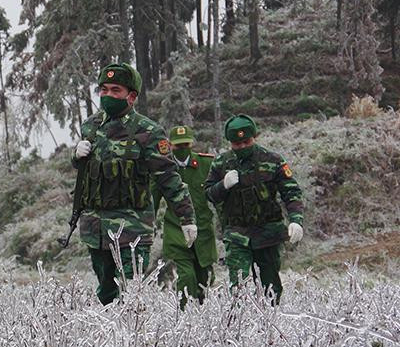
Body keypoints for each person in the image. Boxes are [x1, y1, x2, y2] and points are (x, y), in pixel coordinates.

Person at [73, 63, 196, 305]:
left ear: (131, 96)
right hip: (96, 228)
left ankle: (134, 340)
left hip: (133, 229)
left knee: (131, 295)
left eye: (115, 90)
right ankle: (108, 341)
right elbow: (86, 171)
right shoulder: (91, 126)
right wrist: (75, 155)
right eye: (104, 90)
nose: (108, 96)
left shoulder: (148, 131)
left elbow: (168, 177)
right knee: (106, 293)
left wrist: (187, 218)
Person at [204, 114, 304, 303]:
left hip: (268, 233)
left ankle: (268, 328)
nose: (242, 147)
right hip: (237, 235)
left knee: (270, 288)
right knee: (238, 288)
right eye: (236, 143)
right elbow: (208, 194)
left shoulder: (272, 160)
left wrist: (296, 220)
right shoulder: (221, 163)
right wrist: (222, 185)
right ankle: (239, 328)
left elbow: (291, 192)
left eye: (246, 142)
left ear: (254, 137)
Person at [153, 125, 218, 309]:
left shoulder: (206, 164)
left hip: (204, 232)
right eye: (177, 146)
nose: (182, 149)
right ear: (170, 146)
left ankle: (202, 316)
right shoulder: (164, 170)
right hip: (176, 229)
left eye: (186, 144)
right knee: (187, 276)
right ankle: (185, 315)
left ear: (192, 143)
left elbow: (217, 194)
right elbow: (153, 200)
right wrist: (148, 225)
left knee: (205, 278)